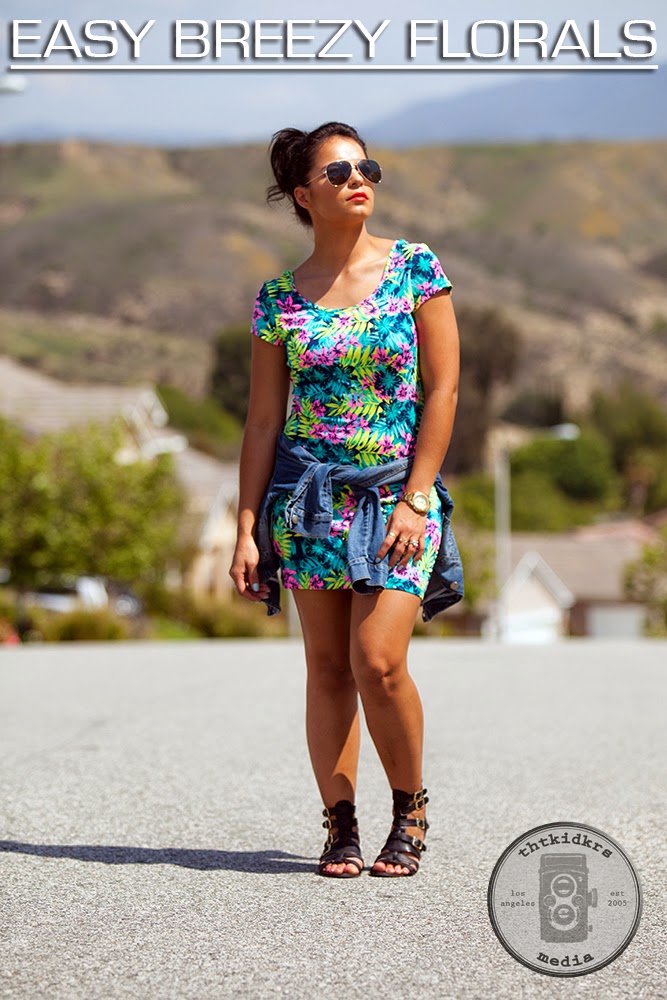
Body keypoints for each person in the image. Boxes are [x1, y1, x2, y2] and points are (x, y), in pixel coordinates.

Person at [229, 121, 461, 879]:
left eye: (366, 167)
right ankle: (341, 826)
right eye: (338, 172)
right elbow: (262, 422)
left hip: (396, 494)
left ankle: (410, 811)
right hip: (308, 502)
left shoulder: (415, 269)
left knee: (377, 659)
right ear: (303, 195)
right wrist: (246, 529)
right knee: (328, 668)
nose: (358, 179)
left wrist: (417, 497)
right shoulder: (277, 300)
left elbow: (442, 390)